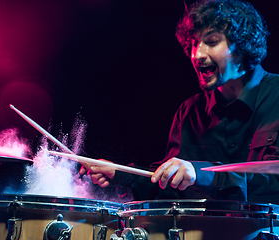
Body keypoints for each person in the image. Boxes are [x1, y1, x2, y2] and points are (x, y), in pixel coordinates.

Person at [80, 0, 279, 204]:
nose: (197, 54)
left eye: (211, 42)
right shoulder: (189, 111)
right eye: (193, 44)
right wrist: (120, 174)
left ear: (242, 45)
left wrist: (202, 174)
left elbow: (273, 183)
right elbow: (169, 190)